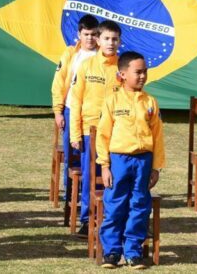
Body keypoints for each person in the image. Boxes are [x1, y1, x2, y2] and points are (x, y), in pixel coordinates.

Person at [97, 50, 164, 270]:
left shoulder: (150, 102)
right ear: (123, 74)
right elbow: (103, 135)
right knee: (115, 204)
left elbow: (158, 137)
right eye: (138, 72)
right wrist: (105, 166)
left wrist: (155, 168)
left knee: (139, 205)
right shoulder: (112, 100)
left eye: (145, 71)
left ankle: (133, 252)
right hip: (119, 160)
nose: (143, 76)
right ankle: (112, 252)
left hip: (143, 161)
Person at [68, 19, 121, 238]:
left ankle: (112, 218)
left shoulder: (123, 67)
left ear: (120, 42)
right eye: (106, 38)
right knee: (92, 176)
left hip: (117, 133)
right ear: (98, 40)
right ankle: (87, 218)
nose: (110, 43)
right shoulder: (85, 66)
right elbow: (76, 100)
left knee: (114, 177)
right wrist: (75, 133)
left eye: (115, 39)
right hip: (90, 132)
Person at [51, 14, 100, 205]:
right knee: (72, 154)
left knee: (92, 156)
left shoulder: (102, 56)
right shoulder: (71, 54)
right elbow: (58, 84)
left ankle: (92, 196)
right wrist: (58, 111)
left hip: (93, 115)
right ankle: (70, 196)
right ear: (79, 34)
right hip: (71, 110)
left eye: (93, 34)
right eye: (86, 34)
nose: (89, 38)